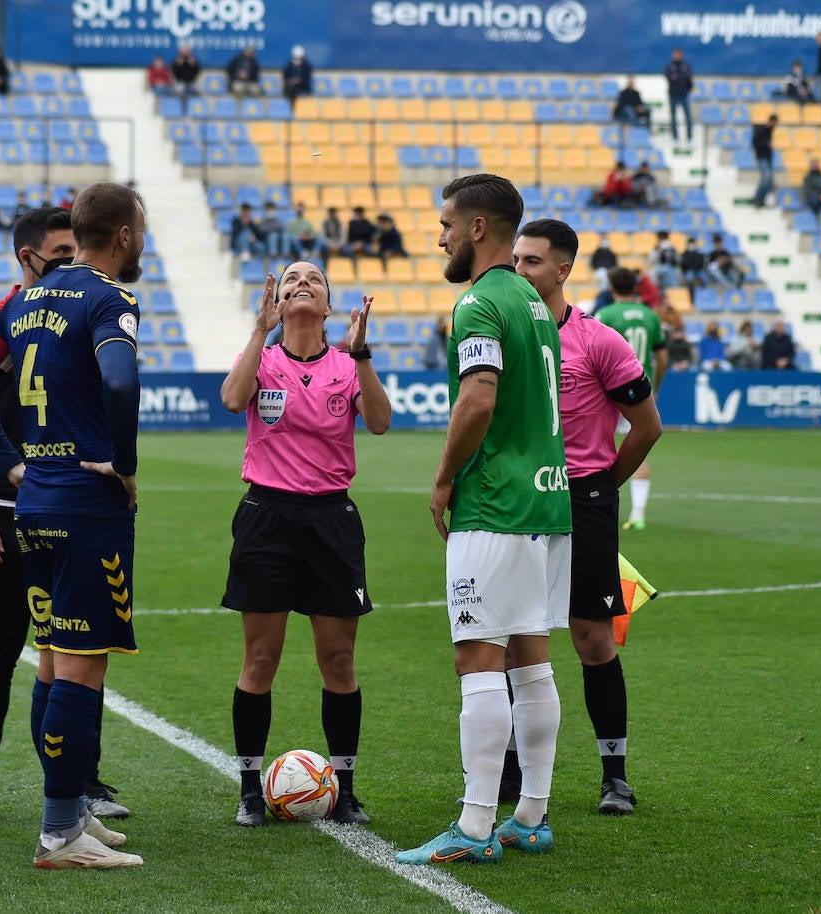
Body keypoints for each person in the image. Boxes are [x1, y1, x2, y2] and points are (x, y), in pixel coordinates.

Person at [0, 182, 147, 869]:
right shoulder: (109, 298)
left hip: (33, 505)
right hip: (87, 507)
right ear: (122, 235)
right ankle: (61, 831)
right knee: (81, 671)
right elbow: (120, 384)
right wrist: (123, 466)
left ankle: (70, 816)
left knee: (54, 661)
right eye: (140, 228)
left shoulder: (26, 298)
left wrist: (10, 465)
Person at [397, 174, 571, 867]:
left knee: (478, 660)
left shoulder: (478, 301)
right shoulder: (533, 298)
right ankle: (529, 816)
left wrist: (443, 479)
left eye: (445, 222)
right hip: (546, 501)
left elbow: (477, 401)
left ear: (476, 228)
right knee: (532, 660)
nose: (438, 234)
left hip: (494, 504)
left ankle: (473, 828)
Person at [219, 259, 391, 828]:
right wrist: (255, 330)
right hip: (266, 517)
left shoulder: (346, 366)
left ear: (328, 305)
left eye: (312, 280)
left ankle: (344, 790)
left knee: (338, 660)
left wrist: (362, 355)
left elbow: (381, 422)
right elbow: (230, 398)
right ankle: (249, 790)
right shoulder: (263, 359)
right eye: (291, 279)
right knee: (260, 659)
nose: (300, 285)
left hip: (331, 522)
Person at [513, 219, 662, 816]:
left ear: (563, 270)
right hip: (519, 502)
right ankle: (508, 775)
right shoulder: (506, 336)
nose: (519, 270)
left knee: (591, 638)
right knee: (513, 640)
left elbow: (647, 426)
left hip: (583, 502)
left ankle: (615, 775)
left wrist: (601, 487)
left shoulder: (600, 340)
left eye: (531, 262)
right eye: (515, 260)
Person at [595, 269, 667, 531]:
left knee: (594, 446)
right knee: (640, 449)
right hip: (639, 390)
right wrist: (654, 386)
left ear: (612, 286)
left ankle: (596, 499)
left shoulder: (606, 315)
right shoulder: (650, 316)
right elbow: (663, 357)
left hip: (608, 391)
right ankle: (638, 514)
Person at [664, 48, 694, 144]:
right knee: (673, 117)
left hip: (684, 95)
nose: (677, 56)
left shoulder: (685, 66)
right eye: (675, 54)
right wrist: (680, 77)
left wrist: (678, 77)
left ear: (681, 55)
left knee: (688, 117)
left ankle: (689, 138)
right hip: (673, 95)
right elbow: (669, 77)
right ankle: (675, 138)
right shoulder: (670, 66)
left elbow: (688, 77)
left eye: (678, 54)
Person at [751, 114, 778, 208]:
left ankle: (761, 200)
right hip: (762, 157)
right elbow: (755, 143)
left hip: (767, 158)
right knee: (766, 177)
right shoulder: (762, 130)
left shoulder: (770, 131)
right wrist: (767, 145)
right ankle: (757, 199)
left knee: (769, 180)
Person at [170, 45, 200, 112]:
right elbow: (174, 72)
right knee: (180, 91)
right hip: (180, 81)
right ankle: (182, 109)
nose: (185, 52)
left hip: (191, 82)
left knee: (198, 91)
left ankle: (195, 110)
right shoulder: (177, 60)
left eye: (187, 51)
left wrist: (193, 65)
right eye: (184, 51)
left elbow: (197, 72)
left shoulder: (193, 59)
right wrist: (178, 65)